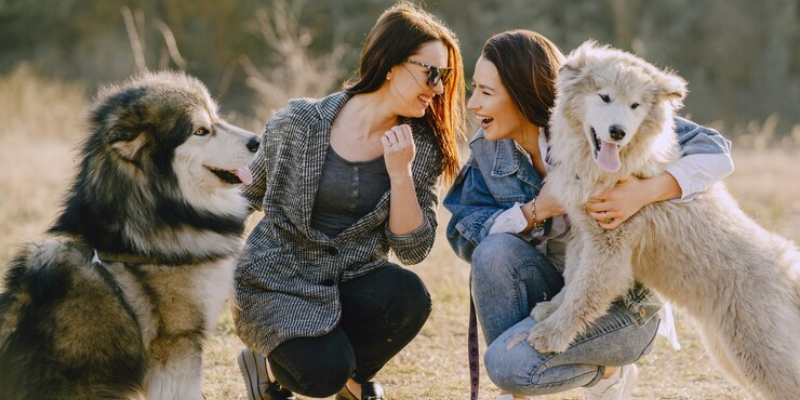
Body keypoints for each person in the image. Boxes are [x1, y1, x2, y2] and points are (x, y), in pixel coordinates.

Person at [444, 30, 734, 400]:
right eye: (474, 89)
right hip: (557, 291)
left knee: (507, 366)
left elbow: (718, 151)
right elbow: (465, 236)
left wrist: (645, 191)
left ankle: (608, 374)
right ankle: (517, 386)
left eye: (485, 93)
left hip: (624, 304)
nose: (472, 104)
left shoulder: (606, 112)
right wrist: (537, 210)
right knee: (493, 253)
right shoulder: (489, 150)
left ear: (521, 93)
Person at [233, 3, 465, 400]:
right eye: (432, 72)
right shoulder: (298, 121)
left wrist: (400, 173)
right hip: (275, 285)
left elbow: (413, 249)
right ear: (391, 64)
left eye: (443, 77)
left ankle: (353, 377)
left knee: (408, 296)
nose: (439, 87)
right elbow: (245, 197)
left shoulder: (421, 147)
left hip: (350, 283)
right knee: (322, 376)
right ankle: (269, 366)